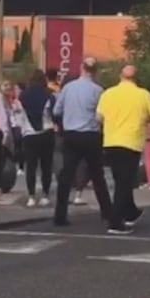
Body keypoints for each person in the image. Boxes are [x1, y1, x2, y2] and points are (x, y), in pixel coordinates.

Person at [97, 65, 150, 234]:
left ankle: (131, 212)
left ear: (120, 76)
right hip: (131, 141)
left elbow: (98, 117)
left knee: (120, 180)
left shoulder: (107, 94)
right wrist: (144, 118)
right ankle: (115, 222)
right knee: (125, 182)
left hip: (110, 141)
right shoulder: (143, 94)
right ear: (136, 78)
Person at [53, 57, 113, 227]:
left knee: (66, 176)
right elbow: (103, 115)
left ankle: (60, 215)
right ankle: (107, 213)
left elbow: (57, 110)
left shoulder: (68, 88)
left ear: (81, 68)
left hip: (71, 134)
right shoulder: (99, 90)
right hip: (90, 135)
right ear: (95, 71)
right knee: (97, 176)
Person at [19, 69, 56, 207]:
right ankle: (45, 195)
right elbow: (55, 113)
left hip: (29, 134)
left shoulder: (23, 96)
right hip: (47, 132)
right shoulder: (49, 95)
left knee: (31, 166)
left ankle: (31, 196)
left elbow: (19, 116)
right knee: (46, 166)